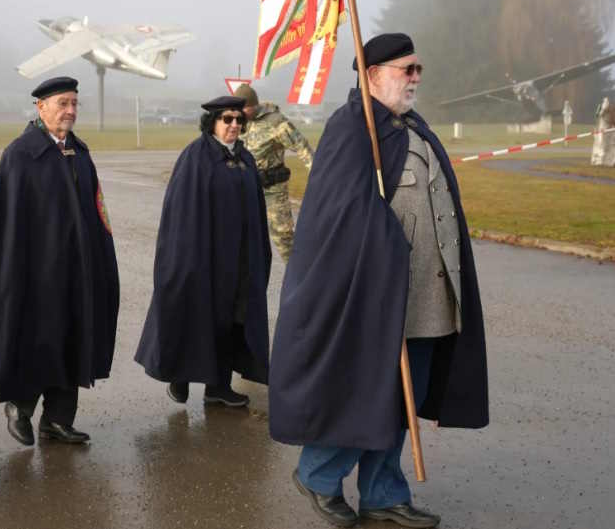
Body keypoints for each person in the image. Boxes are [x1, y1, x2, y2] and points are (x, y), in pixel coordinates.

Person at [269, 33, 489, 528]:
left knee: (404, 399)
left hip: (428, 294)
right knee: (369, 392)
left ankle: (383, 494)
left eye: (418, 69)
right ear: (372, 75)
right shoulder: (352, 128)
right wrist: (379, 236)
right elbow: (337, 214)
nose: (415, 78)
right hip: (378, 295)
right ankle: (318, 475)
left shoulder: (411, 126)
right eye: (406, 69)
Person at [0, 76, 119, 446]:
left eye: (74, 103)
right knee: (39, 341)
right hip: (37, 274)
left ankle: (57, 420)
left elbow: (96, 212)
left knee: (73, 339)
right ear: (41, 107)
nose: (70, 111)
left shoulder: (79, 153)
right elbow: (9, 225)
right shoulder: (21, 155)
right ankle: (20, 407)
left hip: (78, 270)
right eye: (62, 104)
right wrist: (15, 275)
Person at [135, 95, 271, 407]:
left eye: (239, 120)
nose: (234, 125)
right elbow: (180, 214)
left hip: (237, 261)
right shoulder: (195, 157)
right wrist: (183, 259)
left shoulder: (244, 159)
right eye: (227, 119)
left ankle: (218, 387)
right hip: (203, 258)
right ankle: (179, 377)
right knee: (194, 316)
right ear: (212, 123)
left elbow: (256, 211)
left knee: (231, 321)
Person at [233, 84, 314, 262]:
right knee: (243, 236)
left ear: (253, 105)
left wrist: (318, 177)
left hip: (272, 190)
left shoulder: (276, 122)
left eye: (244, 108)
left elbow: (302, 147)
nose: (240, 112)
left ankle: (298, 274)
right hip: (246, 189)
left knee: (283, 237)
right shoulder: (237, 121)